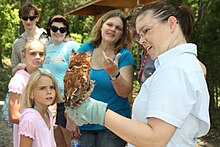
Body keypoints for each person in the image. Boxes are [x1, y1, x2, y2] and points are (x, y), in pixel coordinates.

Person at [66, 1, 210, 147]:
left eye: (146, 31)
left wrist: (99, 114)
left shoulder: (176, 67)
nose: (141, 40)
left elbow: (155, 139)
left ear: (171, 24)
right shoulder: (177, 64)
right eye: (139, 35)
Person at [74, 9, 135, 147]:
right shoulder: (85, 49)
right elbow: (73, 87)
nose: (113, 29)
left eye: (118, 28)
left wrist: (114, 74)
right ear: (101, 26)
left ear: (122, 34)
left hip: (113, 125)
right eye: (109, 24)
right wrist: (71, 116)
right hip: (86, 122)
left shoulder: (124, 56)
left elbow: (125, 92)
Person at [42, 15, 80, 147]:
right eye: (54, 28)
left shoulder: (72, 46)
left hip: (66, 102)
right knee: (57, 142)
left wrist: (71, 109)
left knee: (71, 141)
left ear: (66, 32)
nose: (58, 32)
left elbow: (78, 76)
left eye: (62, 29)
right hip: (49, 102)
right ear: (49, 29)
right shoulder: (46, 48)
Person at [8, 39, 45, 147]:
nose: (37, 57)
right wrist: (36, 122)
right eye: (33, 53)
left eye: (41, 54)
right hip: (27, 132)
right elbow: (13, 115)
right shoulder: (19, 80)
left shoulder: (44, 76)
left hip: (44, 130)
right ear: (24, 55)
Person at [19, 70, 63, 147]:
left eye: (52, 87)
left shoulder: (48, 113)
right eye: (42, 88)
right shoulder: (29, 119)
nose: (49, 91)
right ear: (31, 94)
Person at [11, 2, 49, 70]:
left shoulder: (48, 38)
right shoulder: (17, 43)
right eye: (25, 18)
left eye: (31, 18)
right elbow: (13, 70)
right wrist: (19, 67)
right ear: (21, 19)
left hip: (46, 78)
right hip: (26, 79)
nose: (28, 22)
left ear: (37, 18)